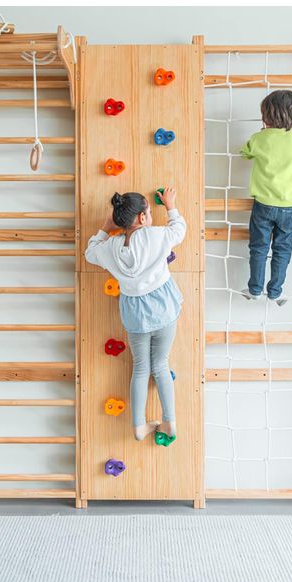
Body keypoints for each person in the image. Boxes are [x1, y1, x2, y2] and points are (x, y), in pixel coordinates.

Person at [85, 187, 185, 445]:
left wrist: (105, 228)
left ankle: (139, 426)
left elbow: (90, 252)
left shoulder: (111, 248)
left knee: (141, 368)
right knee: (160, 365)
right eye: (149, 212)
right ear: (142, 217)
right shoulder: (155, 235)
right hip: (163, 309)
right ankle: (170, 421)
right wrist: (170, 205)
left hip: (135, 315)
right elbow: (179, 230)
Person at [239, 89, 292, 306]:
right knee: (283, 248)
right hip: (290, 205)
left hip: (264, 204)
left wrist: (264, 135)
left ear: (267, 116)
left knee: (259, 247)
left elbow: (245, 152)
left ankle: (255, 289)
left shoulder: (260, 138)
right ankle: (275, 291)